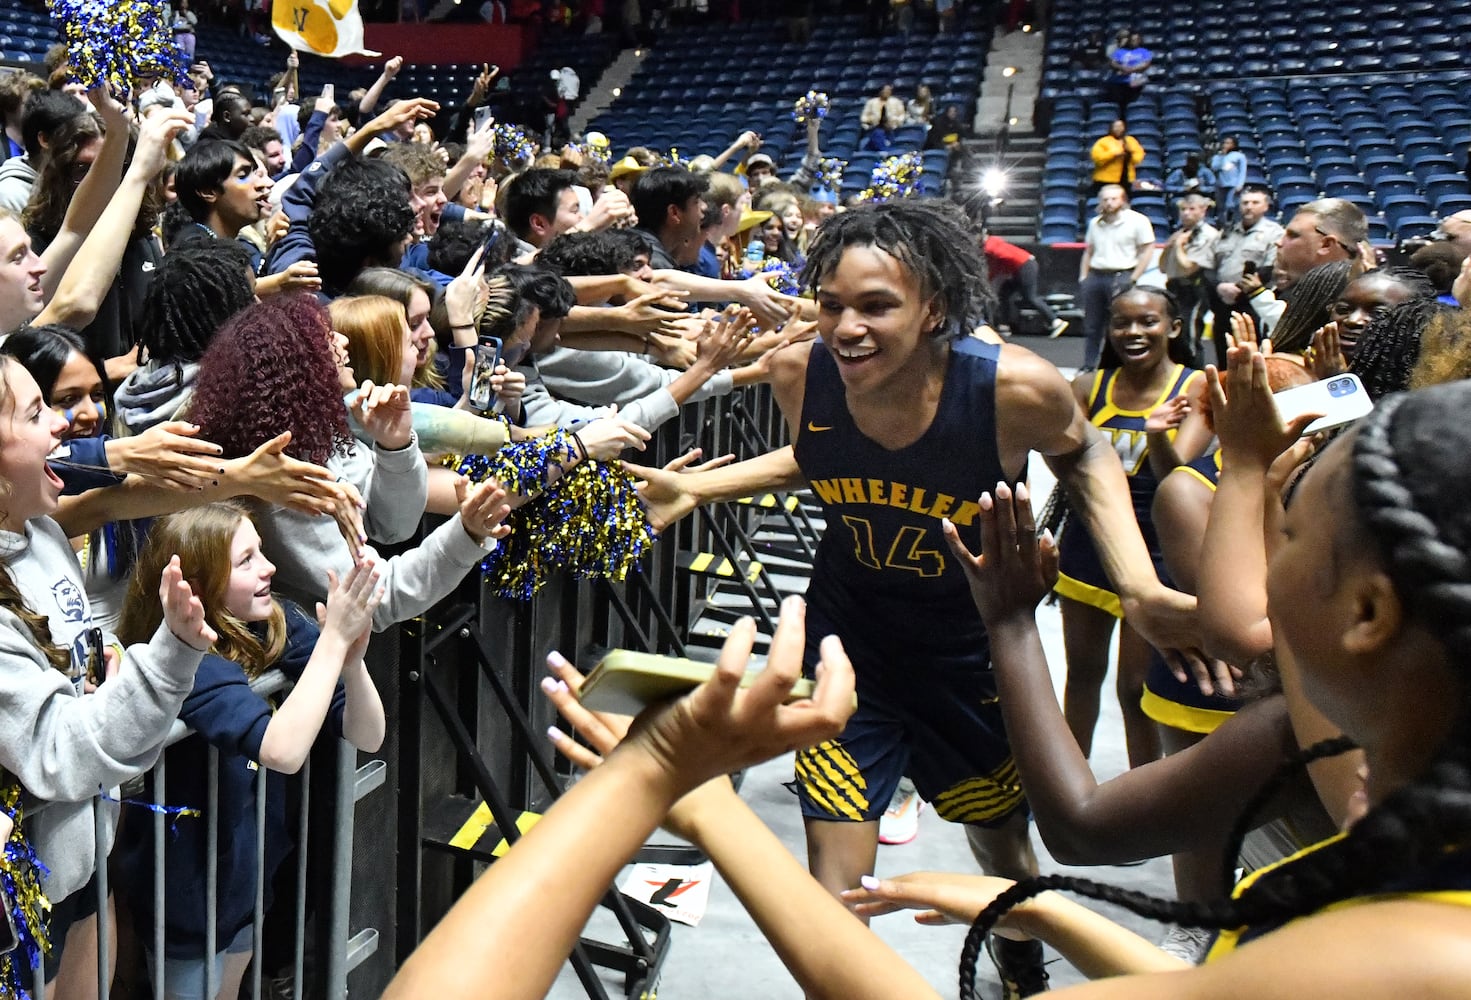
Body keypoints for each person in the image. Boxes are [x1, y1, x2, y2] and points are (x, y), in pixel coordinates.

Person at [628, 201, 1198, 994]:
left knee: (999, 850)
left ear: (933, 308)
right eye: (829, 305)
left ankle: (1020, 957)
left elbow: (1089, 453)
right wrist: (697, 486)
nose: (844, 327)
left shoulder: (1012, 389)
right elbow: (819, 460)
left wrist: (1135, 582)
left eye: (874, 306)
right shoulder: (801, 373)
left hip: (968, 658)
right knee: (835, 889)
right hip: (847, 648)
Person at [0, 353, 217, 994]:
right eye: (36, 414)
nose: (59, 430)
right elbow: (60, 748)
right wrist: (170, 654)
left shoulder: (40, 532)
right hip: (22, 891)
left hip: (75, 853)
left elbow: (78, 691)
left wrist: (109, 679)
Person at [114, 503, 385, 1000]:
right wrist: (334, 642)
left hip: (246, 877)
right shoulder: (187, 660)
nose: (270, 567)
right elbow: (281, 751)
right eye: (247, 560)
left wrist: (352, 661)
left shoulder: (271, 624)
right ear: (200, 585)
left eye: (262, 551)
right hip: (186, 891)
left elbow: (368, 734)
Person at [1053, 286, 1206, 769]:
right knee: (1081, 675)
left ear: (1174, 328)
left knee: (1135, 686)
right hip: (1088, 544)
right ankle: (1069, 784)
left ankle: (1142, 790)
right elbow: (1068, 469)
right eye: (1122, 323)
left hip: (1157, 554)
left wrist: (1158, 437)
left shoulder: (1196, 386)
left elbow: (1178, 479)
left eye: (1147, 322)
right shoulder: (1086, 387)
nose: (1133, 333)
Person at [1078, 184, 1156, 369]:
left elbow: (1147, 249)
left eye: (1114, 198)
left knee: (1118, 324)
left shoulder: (1138, 221)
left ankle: (1114, 365)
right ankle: (1088, 365)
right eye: (1105, 199)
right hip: (1096, 276)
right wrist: (1084, 277)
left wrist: (1134, 277)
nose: (1109, 202)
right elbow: (1089, 252)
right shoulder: (1095, 223)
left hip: (1122, 275)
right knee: (1092, 326)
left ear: (1123, 200)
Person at [1207, 182, 1284, 365]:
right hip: (1222, 303)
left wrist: (1238, 290)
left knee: (1251, 358)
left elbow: (1268, 270)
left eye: (1255, 202)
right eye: (1245, 203)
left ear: (1266, 206)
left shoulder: (1274, 233)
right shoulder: (1226, 232)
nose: (1249, 207)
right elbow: (1209, 266)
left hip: (1252, 304)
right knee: (1223, 355)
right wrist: (1220, 287)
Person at [1159, 192, 1220, 366]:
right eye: (1183, 209)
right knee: (1173, 334)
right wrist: (1169, 246)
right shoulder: (1180, 234)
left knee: (1189, 334)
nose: (1186, 213)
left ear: (1203, 211)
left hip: (1195, 289)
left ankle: (1196, 373)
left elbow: (1188, 267)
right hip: (1174, 288)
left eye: (1192, 209)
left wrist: (1178, 247)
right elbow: (1163, 267)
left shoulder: (1208, 234)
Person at [978, 228, 1067, 338]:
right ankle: (1004, 326)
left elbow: (1006, 256)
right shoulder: (990, 249)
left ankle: (1055, 321)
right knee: (1004, 293)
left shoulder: (991, 245)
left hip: (1025, 266)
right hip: (1020, 268)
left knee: (1030, 297)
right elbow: (995, 267)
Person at [1089, 119, 1144, 194]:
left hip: (1126, 179)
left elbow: (1138, 156)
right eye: (1116, 126)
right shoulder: (1103, 141)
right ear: (1111, 128)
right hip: (1105, 180)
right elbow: (1097, 158)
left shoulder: (1131, 141)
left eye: (1121, 126)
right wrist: (1113, 154)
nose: (1118, 129)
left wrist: (1130, 153)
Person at [1105, 33, 1152, 112]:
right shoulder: (1120, 52)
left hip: (1137, 80)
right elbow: (1113, 63)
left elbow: (1146, 64)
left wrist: (1132, 69)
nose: (1134, 42)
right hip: (1121, 81)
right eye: (1132, 40)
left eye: (1136, 40)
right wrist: (1122, 68)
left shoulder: (1144, 52)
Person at [1210, 136, 1247, 226]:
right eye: (1224, 143)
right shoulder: (1217, 157)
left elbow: (1242, 171)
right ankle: (1222, 224)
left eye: (1228, 143)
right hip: (1221, 184)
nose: (1225, 145)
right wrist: (1222, 157)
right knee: (1221, 206)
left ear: (1234, 145)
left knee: (1230, 205)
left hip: (1233, 184)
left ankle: (1233, 222)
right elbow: (1214, 167)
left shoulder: (1240, 156)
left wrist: (1240, 184)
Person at [859, 84, 904, 152]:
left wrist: (894, 120)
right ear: (880, 91)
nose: (887, 92)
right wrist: (872, 119)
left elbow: (902, 117)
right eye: (885, 90)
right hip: (874, 129)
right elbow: (863, 118)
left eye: (889, 90)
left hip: (893, 130)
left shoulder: (897, 102)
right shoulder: (871, 102)